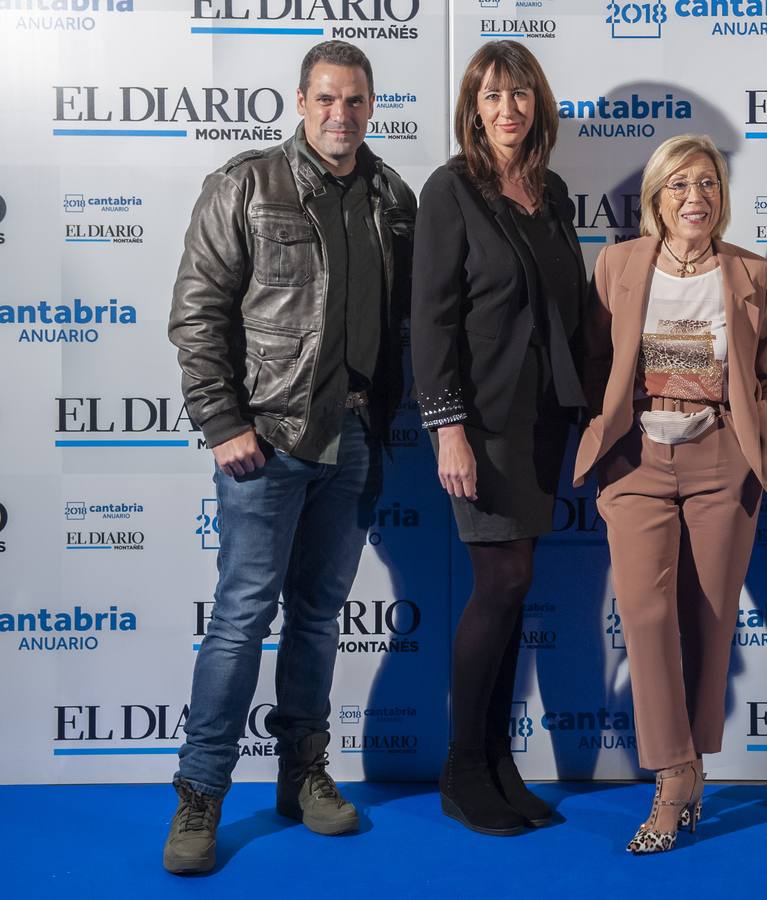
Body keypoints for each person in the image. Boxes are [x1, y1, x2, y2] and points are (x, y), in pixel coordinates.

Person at [164, 40, 416, 874]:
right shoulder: (246, 184)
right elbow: (198, 312)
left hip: (353, 442)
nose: (340, 115)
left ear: (371, 107)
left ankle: (302, 771)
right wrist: (220, 420)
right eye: (325, 100)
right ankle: (200, 792)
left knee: (315, 618)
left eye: (355, 102)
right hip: (265, 440)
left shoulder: (393, 198)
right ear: (300, 103)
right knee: (241, 620)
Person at [573, 134, 767, 854]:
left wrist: (760, 432)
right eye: (679, 185)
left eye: (707, 184)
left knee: (709, 619)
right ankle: (673, 776)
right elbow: (595, 363)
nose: (694, 197)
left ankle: (692, 764)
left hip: (720, 459)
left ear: (722, 198)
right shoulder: (617, 264)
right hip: (638, 459)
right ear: (656, 199)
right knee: (643, 613)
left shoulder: (754, 274)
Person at [410, 40, 586, 837]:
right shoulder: (450, 191)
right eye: (490, 96)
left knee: (515, 590)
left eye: (518, 94)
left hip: (543, 419)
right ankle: (461, 768)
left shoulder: (551, 195)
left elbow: (573, 310)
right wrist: (447, 428)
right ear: (472, 110)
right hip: (480, 424)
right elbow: (432, 318)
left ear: (536, 104)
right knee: (501, 583)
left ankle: (498, 761)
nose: (506, 109)